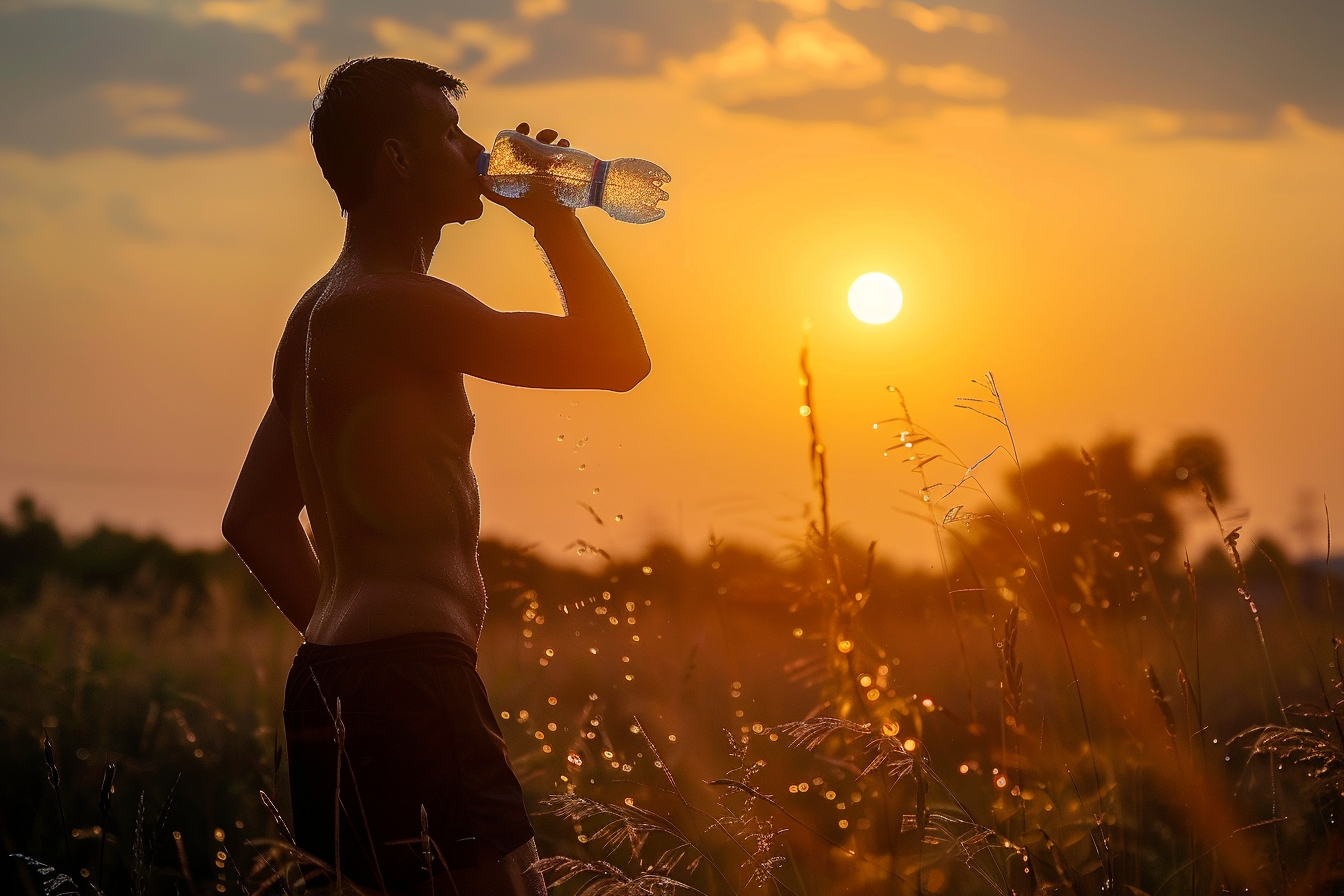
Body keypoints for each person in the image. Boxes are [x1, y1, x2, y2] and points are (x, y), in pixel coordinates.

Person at [222, 56, 650, 895]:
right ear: (397, 159)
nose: (474, 149)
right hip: (405, 684)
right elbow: (618, 358)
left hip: (339, 682)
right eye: (450, 133)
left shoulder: (318, 314)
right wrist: (553, 217)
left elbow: (254, 519)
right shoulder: (393, 303)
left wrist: (352, 662)